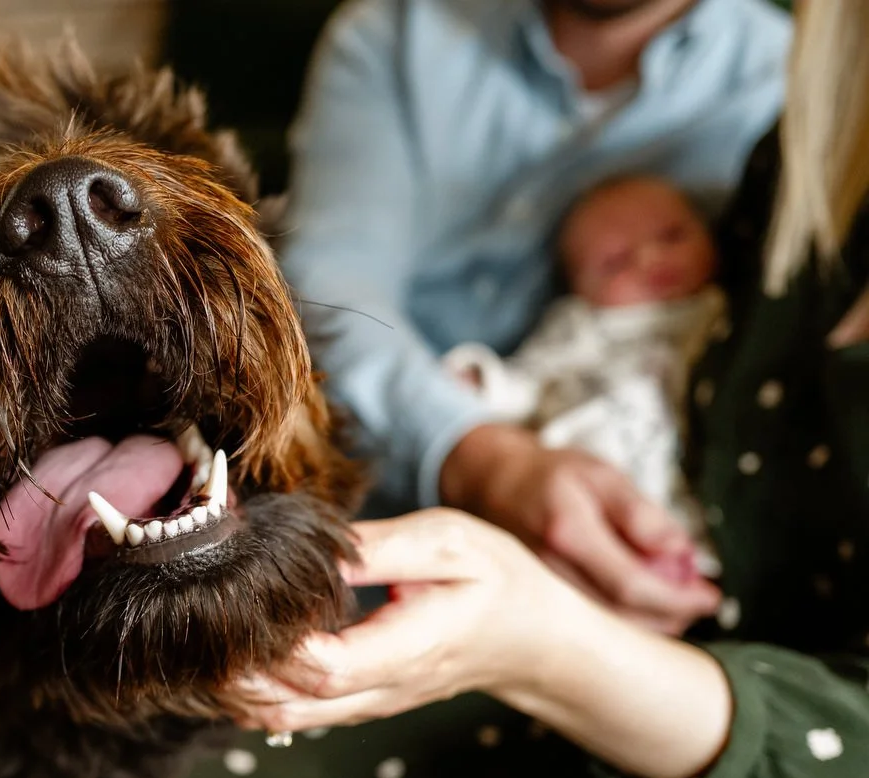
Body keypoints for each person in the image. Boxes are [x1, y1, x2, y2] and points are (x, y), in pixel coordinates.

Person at [0, 3, 869, 778]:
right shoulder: (814, 127)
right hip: (642, 634)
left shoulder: (757, 68)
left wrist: (548, 637)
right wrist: (589, 515)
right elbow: (334, 295)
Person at [277, 0, 790, 634]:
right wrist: (480, 457)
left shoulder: (783, 80)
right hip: (352, 497)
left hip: (643, 544)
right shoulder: (398, 31)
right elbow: (327, 285)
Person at [443, 174, 727, 583]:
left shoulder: (716, 312)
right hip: (580, 461)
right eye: (616, 262)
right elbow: (531, 379)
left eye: (671, 237)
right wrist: (485, 381)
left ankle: (686, 565)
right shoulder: (580, 325)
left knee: (681, 521)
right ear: (578, 287)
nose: (649, 259)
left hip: (675, 471)